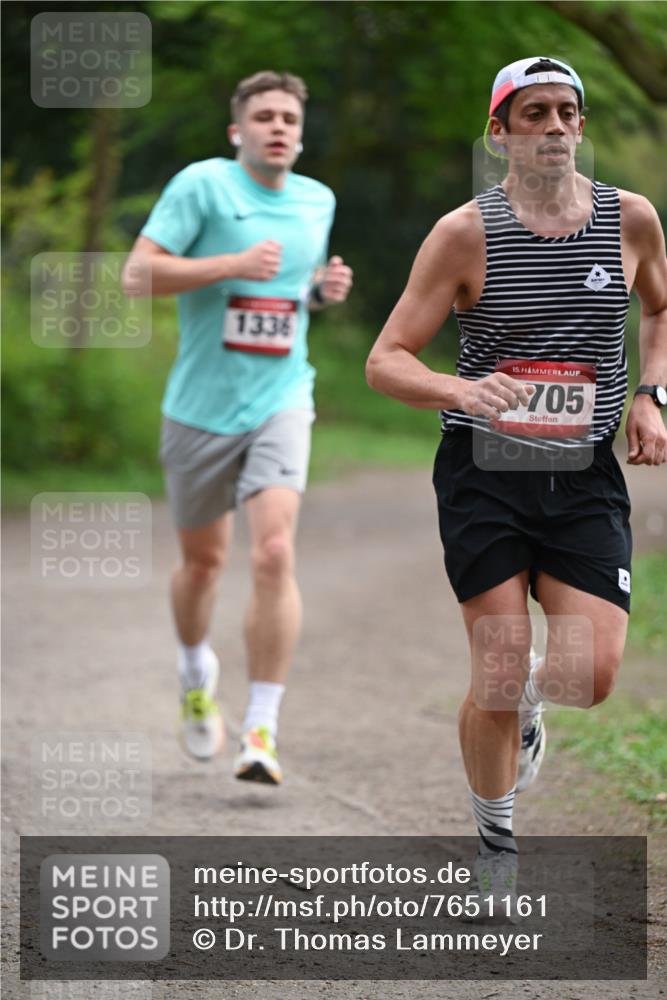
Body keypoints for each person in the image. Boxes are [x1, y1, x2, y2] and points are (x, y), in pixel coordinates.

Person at [366, 56, 666, 912]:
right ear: (498, 133)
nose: (555, 127)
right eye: (533, 113)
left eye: (567, 112)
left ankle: (529, 707)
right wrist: (461, 388)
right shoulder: (463, 233)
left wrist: (650, 395)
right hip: (484, 474)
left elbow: (659, 308)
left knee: (593, 675)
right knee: (497, 672)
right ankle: (495, 846)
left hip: (582, 476)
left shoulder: (630, 220)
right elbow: (383, 361)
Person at [123, 70, 352, 784]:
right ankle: (195, 673)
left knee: (273, 552)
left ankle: (261, 728)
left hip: (282, 396)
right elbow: (137, 275)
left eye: (288, 116)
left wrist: (319, 293)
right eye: (263, 116)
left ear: (301, 131)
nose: (277, 126)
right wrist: (231, 264)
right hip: (198, 408)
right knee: (204, 564)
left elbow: (289, 293)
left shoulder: (318, 200)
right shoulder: (204, 186)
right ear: (237, 132)